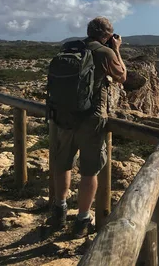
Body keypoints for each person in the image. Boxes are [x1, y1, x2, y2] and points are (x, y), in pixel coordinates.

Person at [51, 17, 126, 237]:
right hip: (91, 119)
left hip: (64, 116)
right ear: (108, 35)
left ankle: (59, 209)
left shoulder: (71, 48)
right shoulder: (105, 53)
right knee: (88, 170)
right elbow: (121, 76)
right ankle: (82, 220)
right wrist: (117, 49)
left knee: (63, 163)